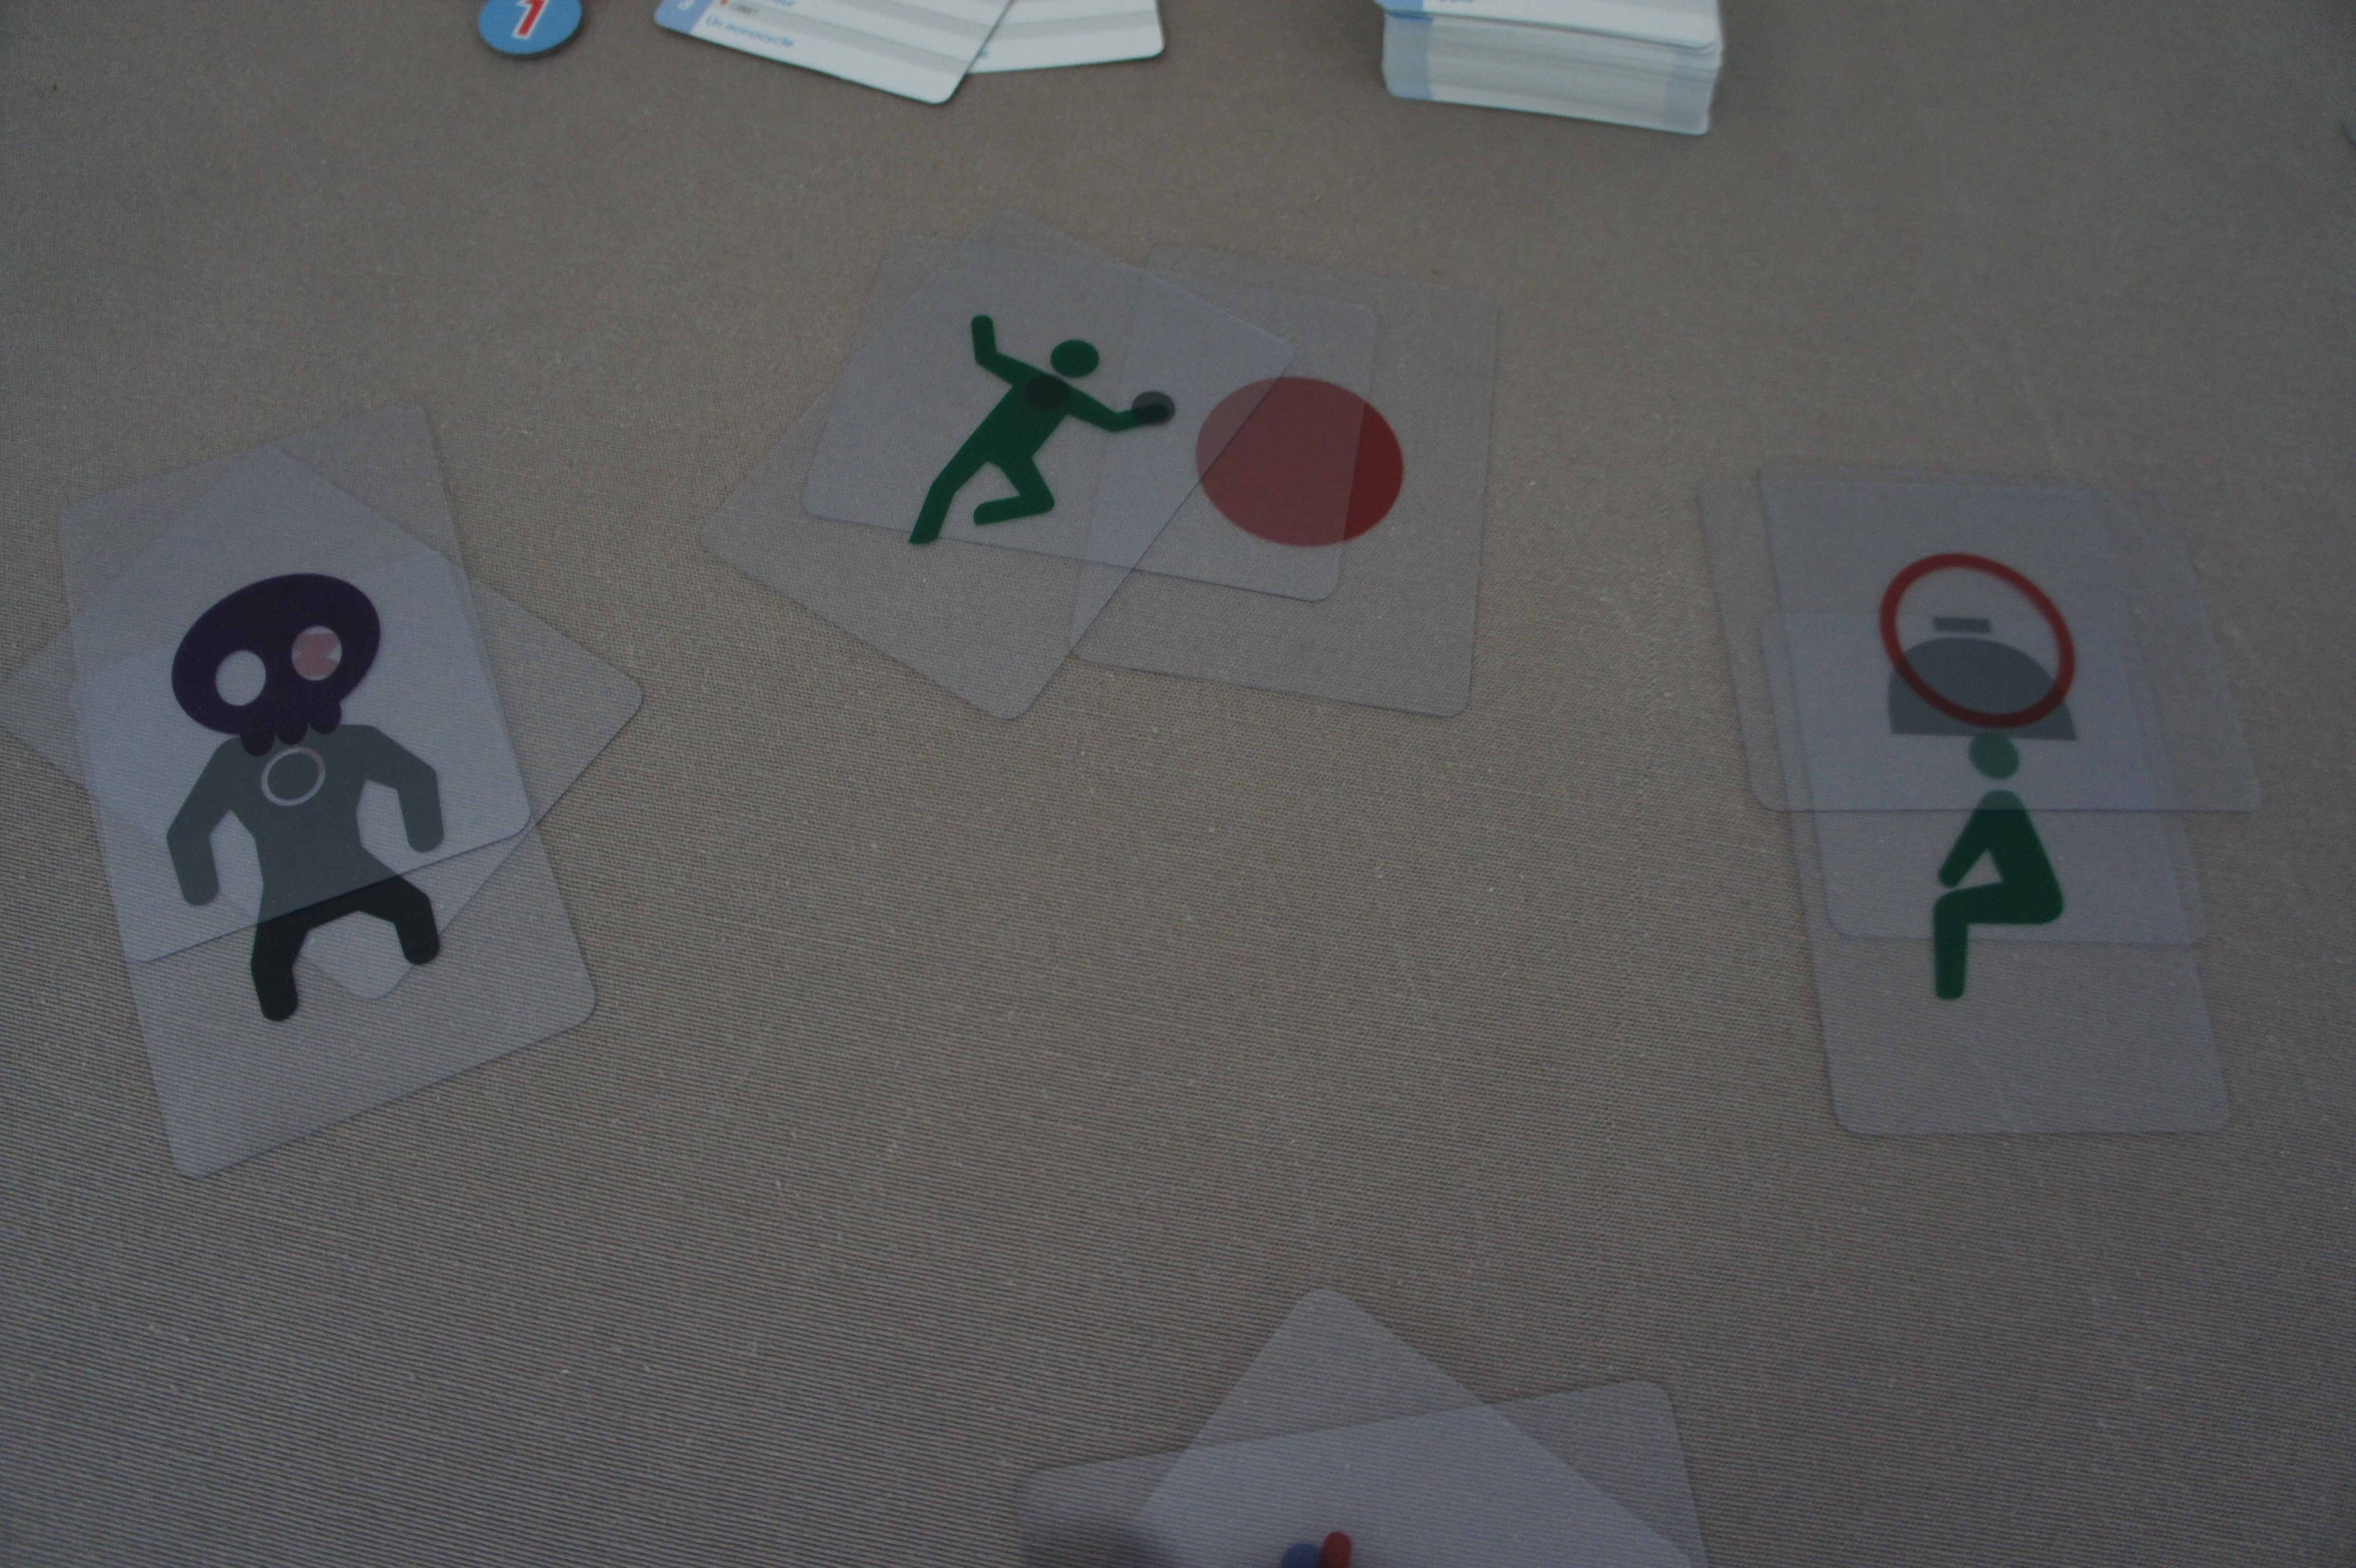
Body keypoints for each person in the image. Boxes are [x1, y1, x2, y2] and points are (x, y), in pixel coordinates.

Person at [165, 574, 444, 1022]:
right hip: (297, 885)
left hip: (333, 873)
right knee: (273, 965)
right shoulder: (236, 762)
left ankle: (415, 950)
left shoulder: (339, 743)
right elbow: (187, 832)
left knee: (409, 914)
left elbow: (416, 777)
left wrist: (201, 888)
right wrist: (423, 835)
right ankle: (286, 1003)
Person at [909, 315, 1170, 545]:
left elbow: (986, 356)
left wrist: (982, 325)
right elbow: (1113, 422)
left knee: (944, 486)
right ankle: (977, 516)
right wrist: (1153, 412)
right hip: (1010, 452)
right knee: (1038, 500)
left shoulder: (1032, 378)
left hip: (989, 445)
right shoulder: (1069, 397)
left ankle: (935, 532)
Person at [1932, 732, 2064, 999]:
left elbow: (1956, 869)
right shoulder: (2006, 801)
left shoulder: (1996, 803)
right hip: (2038, 895)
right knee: (1951, 907)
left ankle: (1950, 993)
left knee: (1949, 909)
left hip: (2034, 898)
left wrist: (1949, 875)